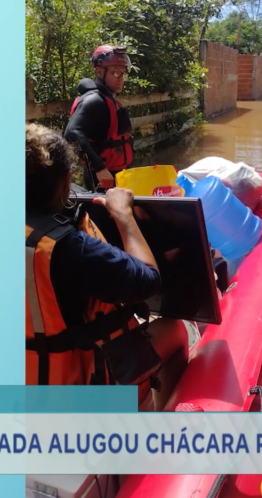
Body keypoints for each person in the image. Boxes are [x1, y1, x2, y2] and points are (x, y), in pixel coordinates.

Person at [26, 123, 188, 408]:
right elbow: (149, 280)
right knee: (175, 330)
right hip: (73, 393)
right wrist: (123, 215)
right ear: (66, 182)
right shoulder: (69, 247)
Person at [63, 45, 135, 190]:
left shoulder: (108, 99)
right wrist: (100, 169)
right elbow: (72, 133)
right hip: (102, 179)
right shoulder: (94, 100)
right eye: (115, 73)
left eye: (123, 72)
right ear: (99, 71)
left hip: (116, 174)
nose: (120, 78)